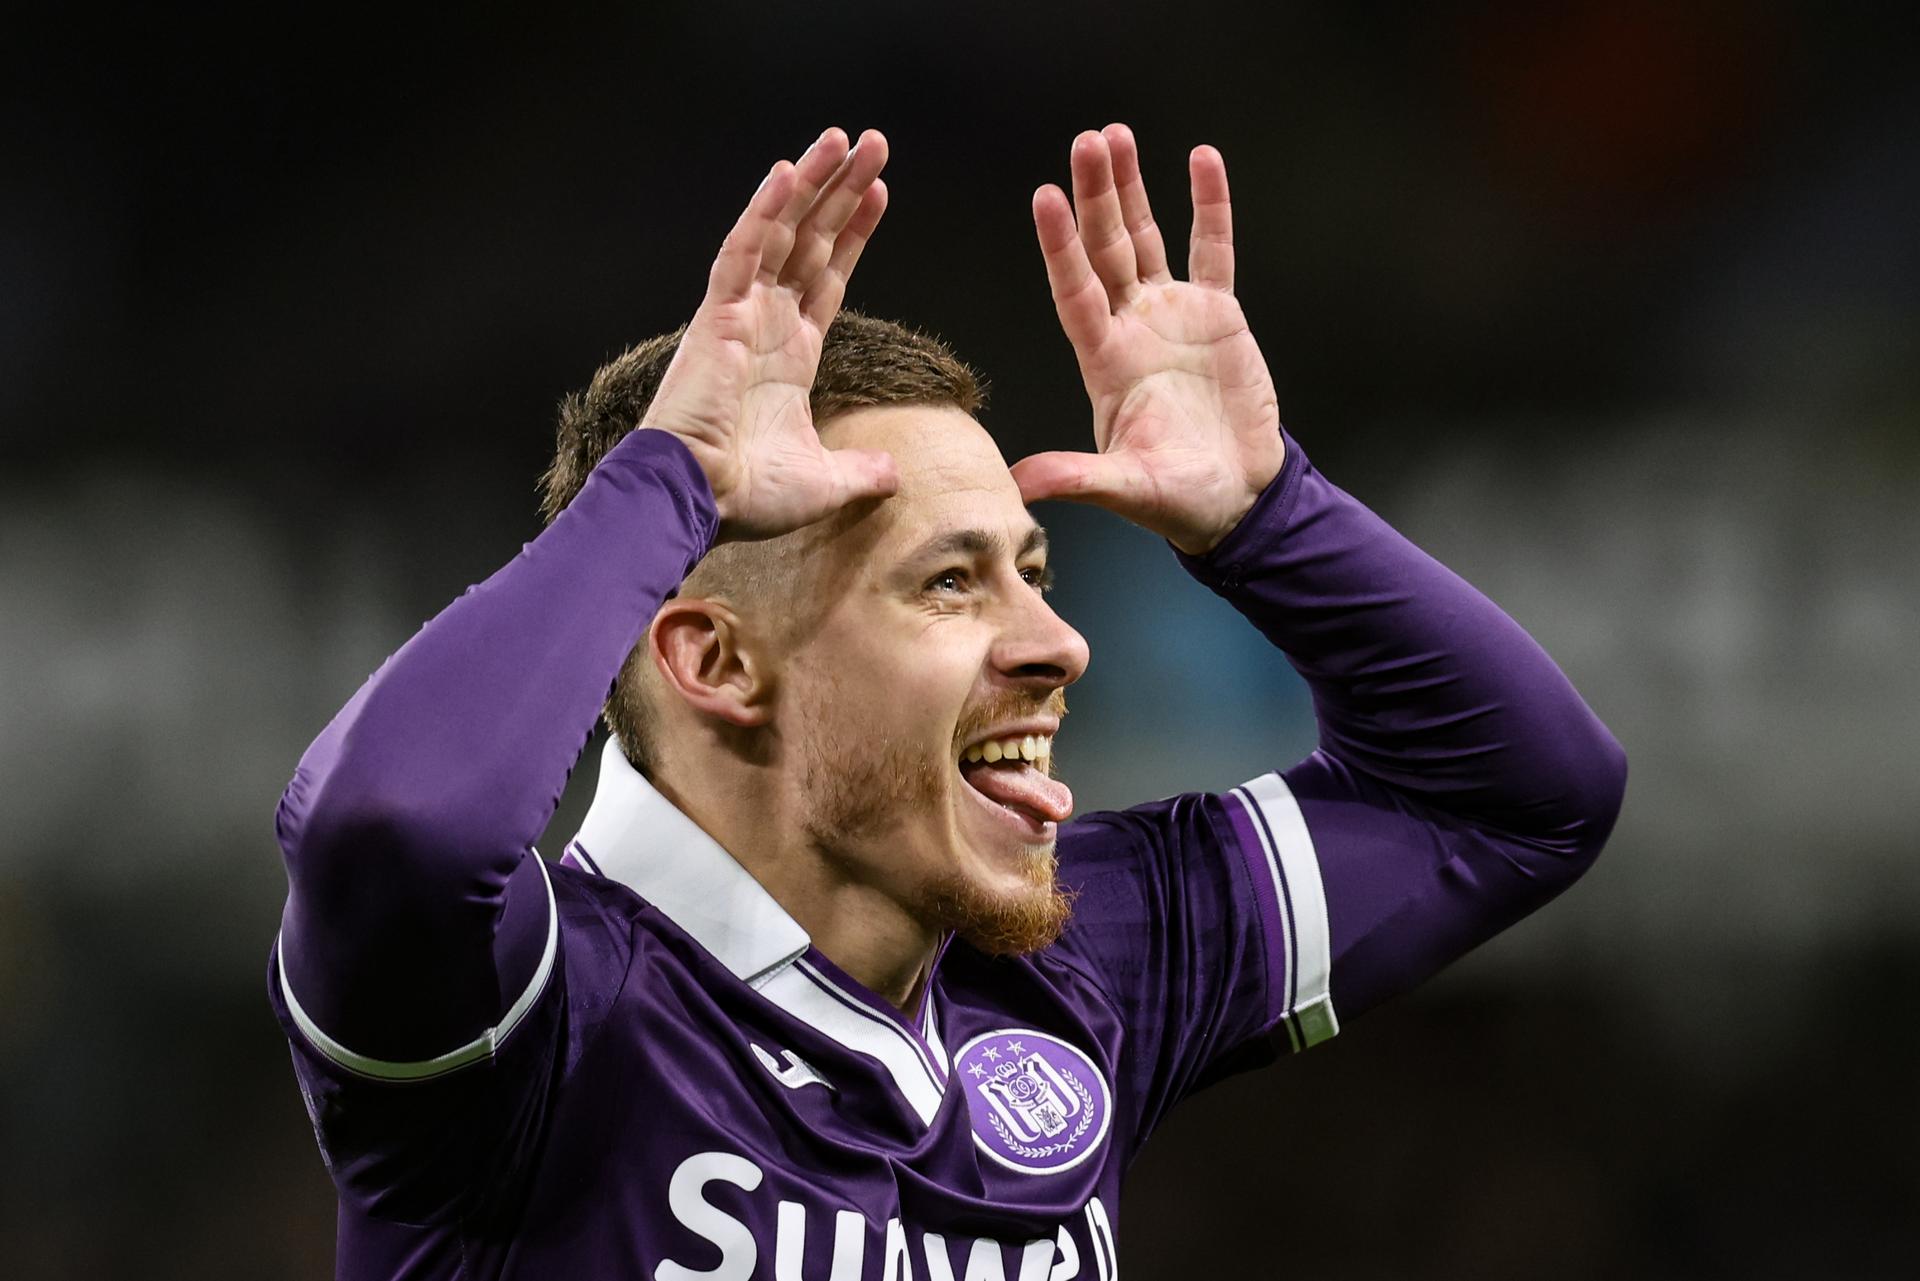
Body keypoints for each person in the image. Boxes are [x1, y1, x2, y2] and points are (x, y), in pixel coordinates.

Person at [268, 124, 1626, 1279]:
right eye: (949, 584)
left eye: (1033, 571)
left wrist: (1275, 520)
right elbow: (397, 826)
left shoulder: (1070, 969)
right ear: (716, 661)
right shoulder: (535, 1018)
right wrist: (665, 479)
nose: (1058, 643)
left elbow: (1518, 798)